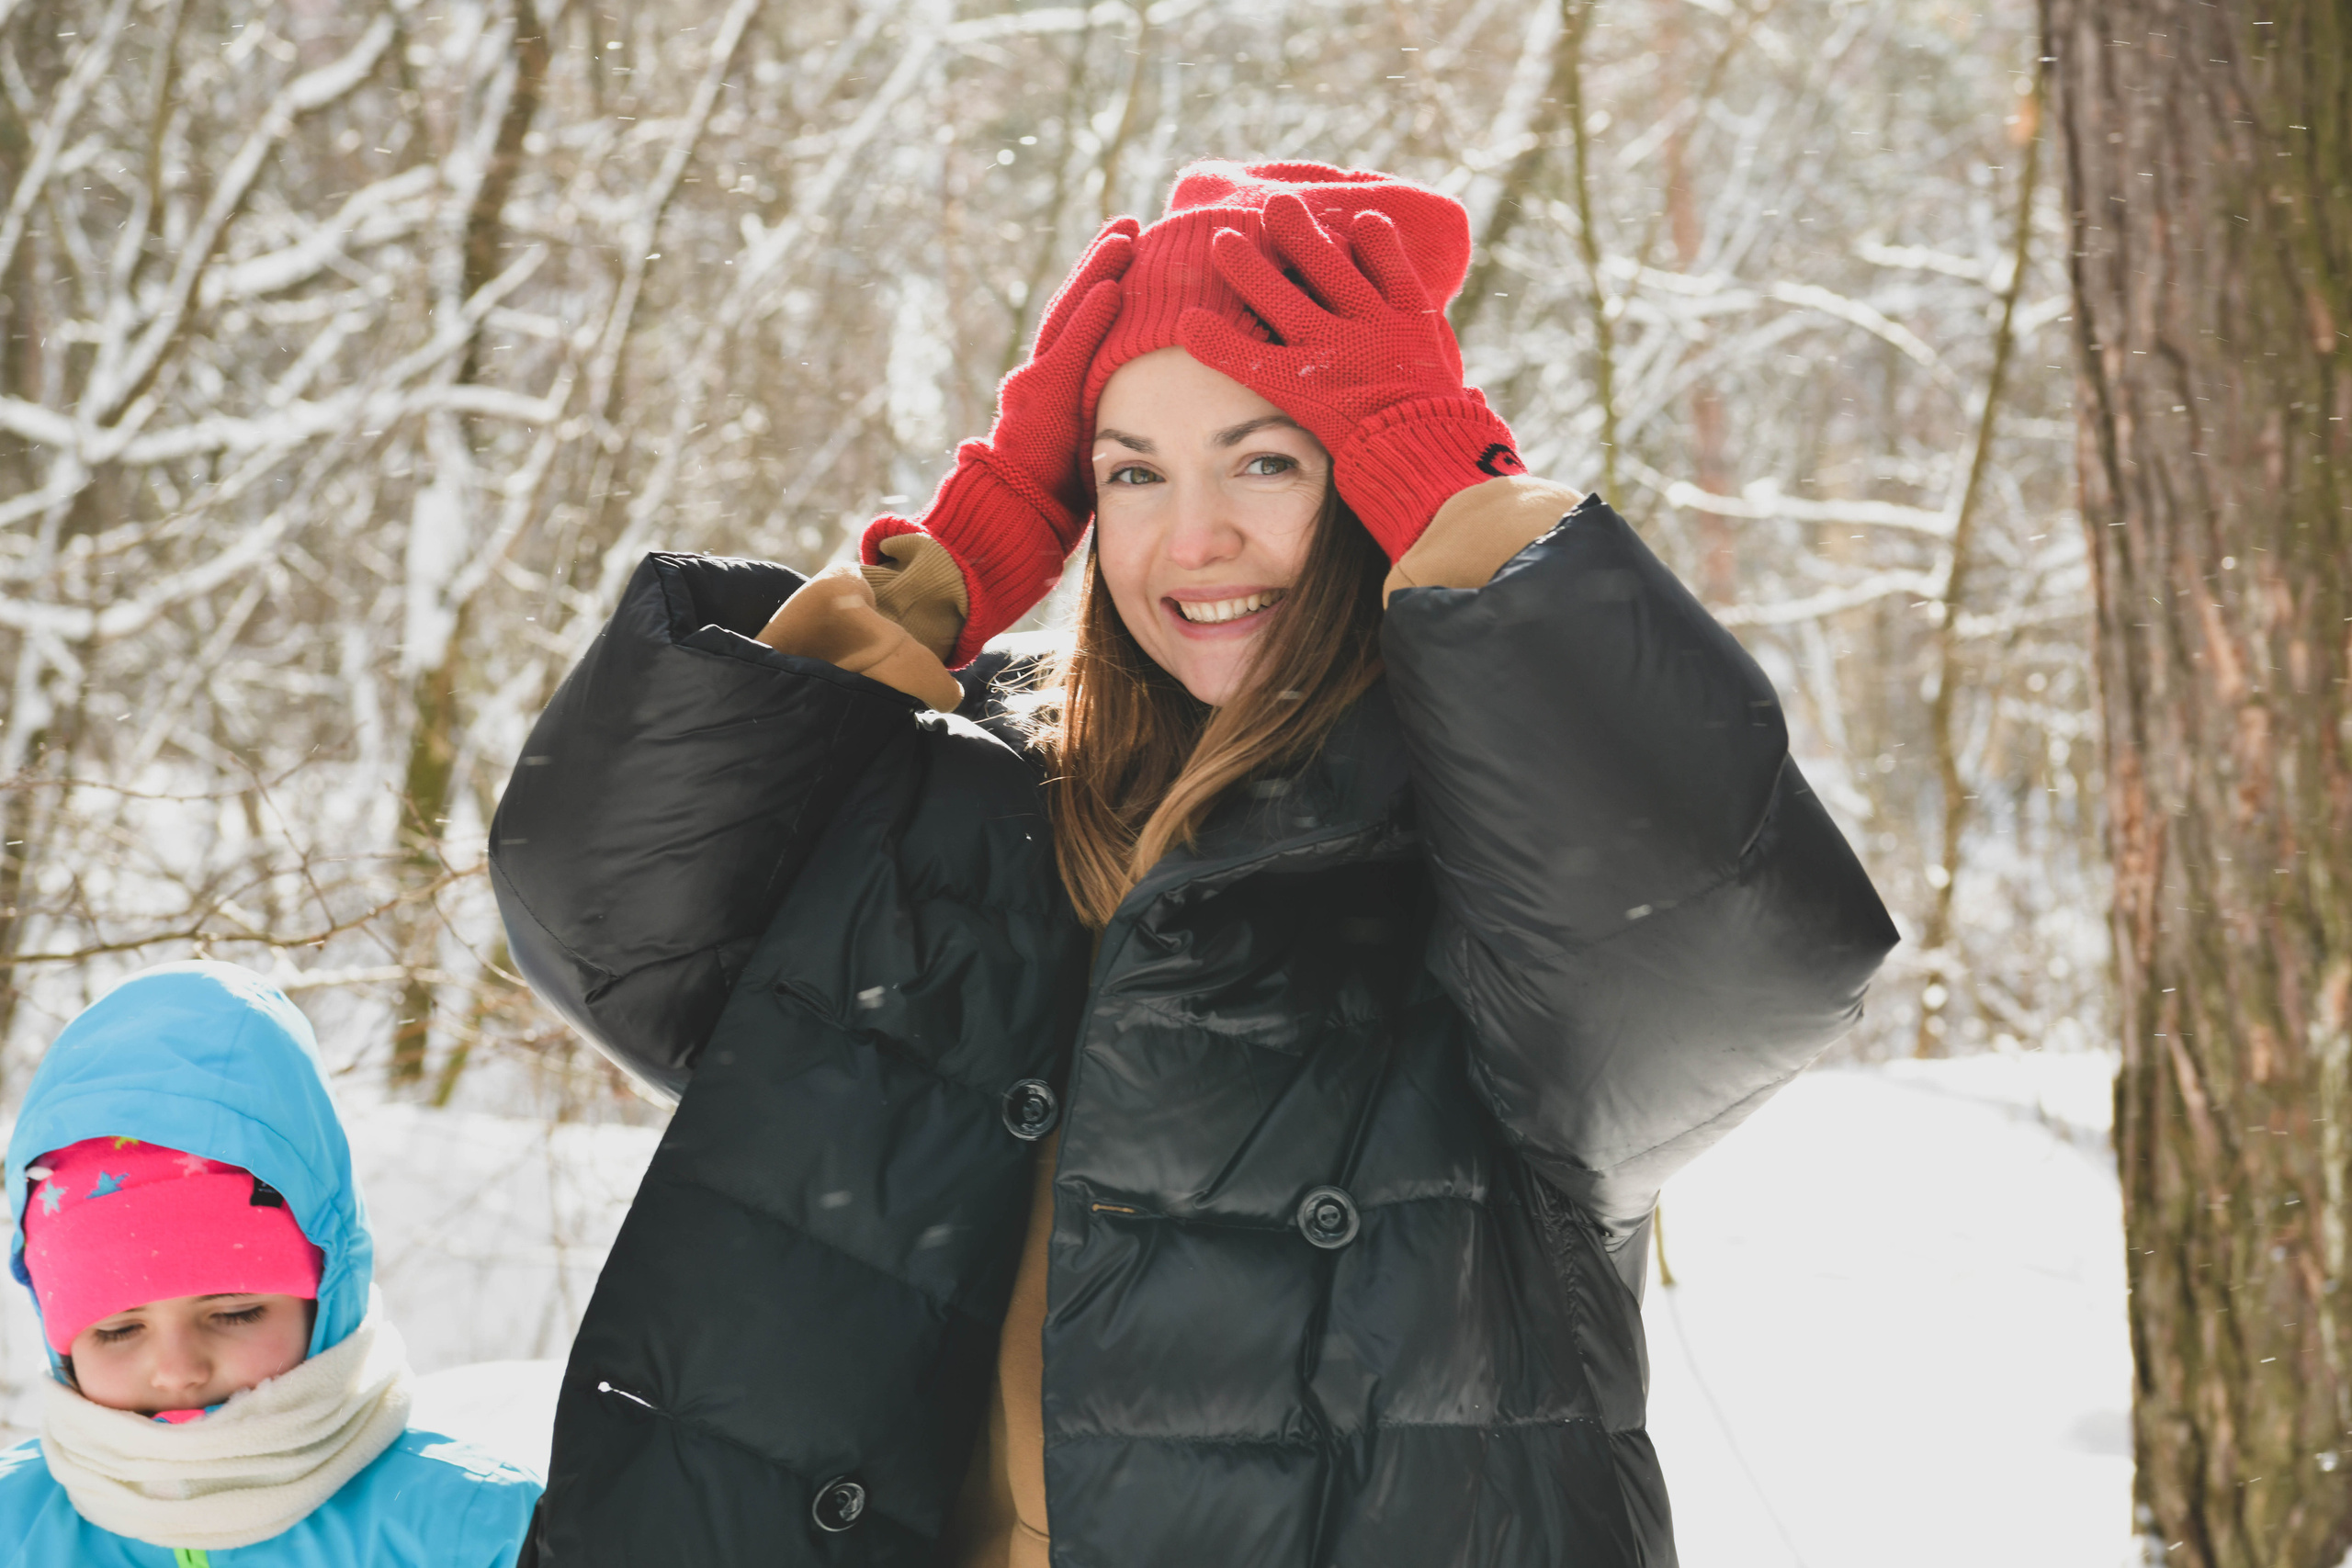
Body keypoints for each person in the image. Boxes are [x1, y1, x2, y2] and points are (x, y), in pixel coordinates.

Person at [492, 159, 1897, 1566]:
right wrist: (947, 570)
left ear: (1373, 480)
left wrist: (1461, 499)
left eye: (1266, 459)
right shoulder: (969, 790)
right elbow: (619, 922)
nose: (1194, 538)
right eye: (1133, 472)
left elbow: (1740, 951)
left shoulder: (1494, 849)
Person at [0, 961, 542, 1567]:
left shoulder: (480, 1531)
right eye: (119, 1329)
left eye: (234, 1313)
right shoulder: (13, 1531)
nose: (178, 1371)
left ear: (325, 1301)